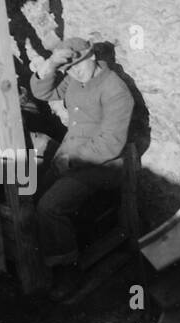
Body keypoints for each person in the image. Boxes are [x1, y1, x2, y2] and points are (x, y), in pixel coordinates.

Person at [28, 37, 135, 275]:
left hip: (103, 165)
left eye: (78, 65)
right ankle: (58, 247)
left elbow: (111, 143)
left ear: (93, 57)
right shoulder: (75, 80)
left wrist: (71, 159)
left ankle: (67, 269)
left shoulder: (115, 89)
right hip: (71, 158)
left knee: (49, 207)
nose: (74, 72)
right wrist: (52, 63)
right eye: (69, 68)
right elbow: (41, 92)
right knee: (33, 197)